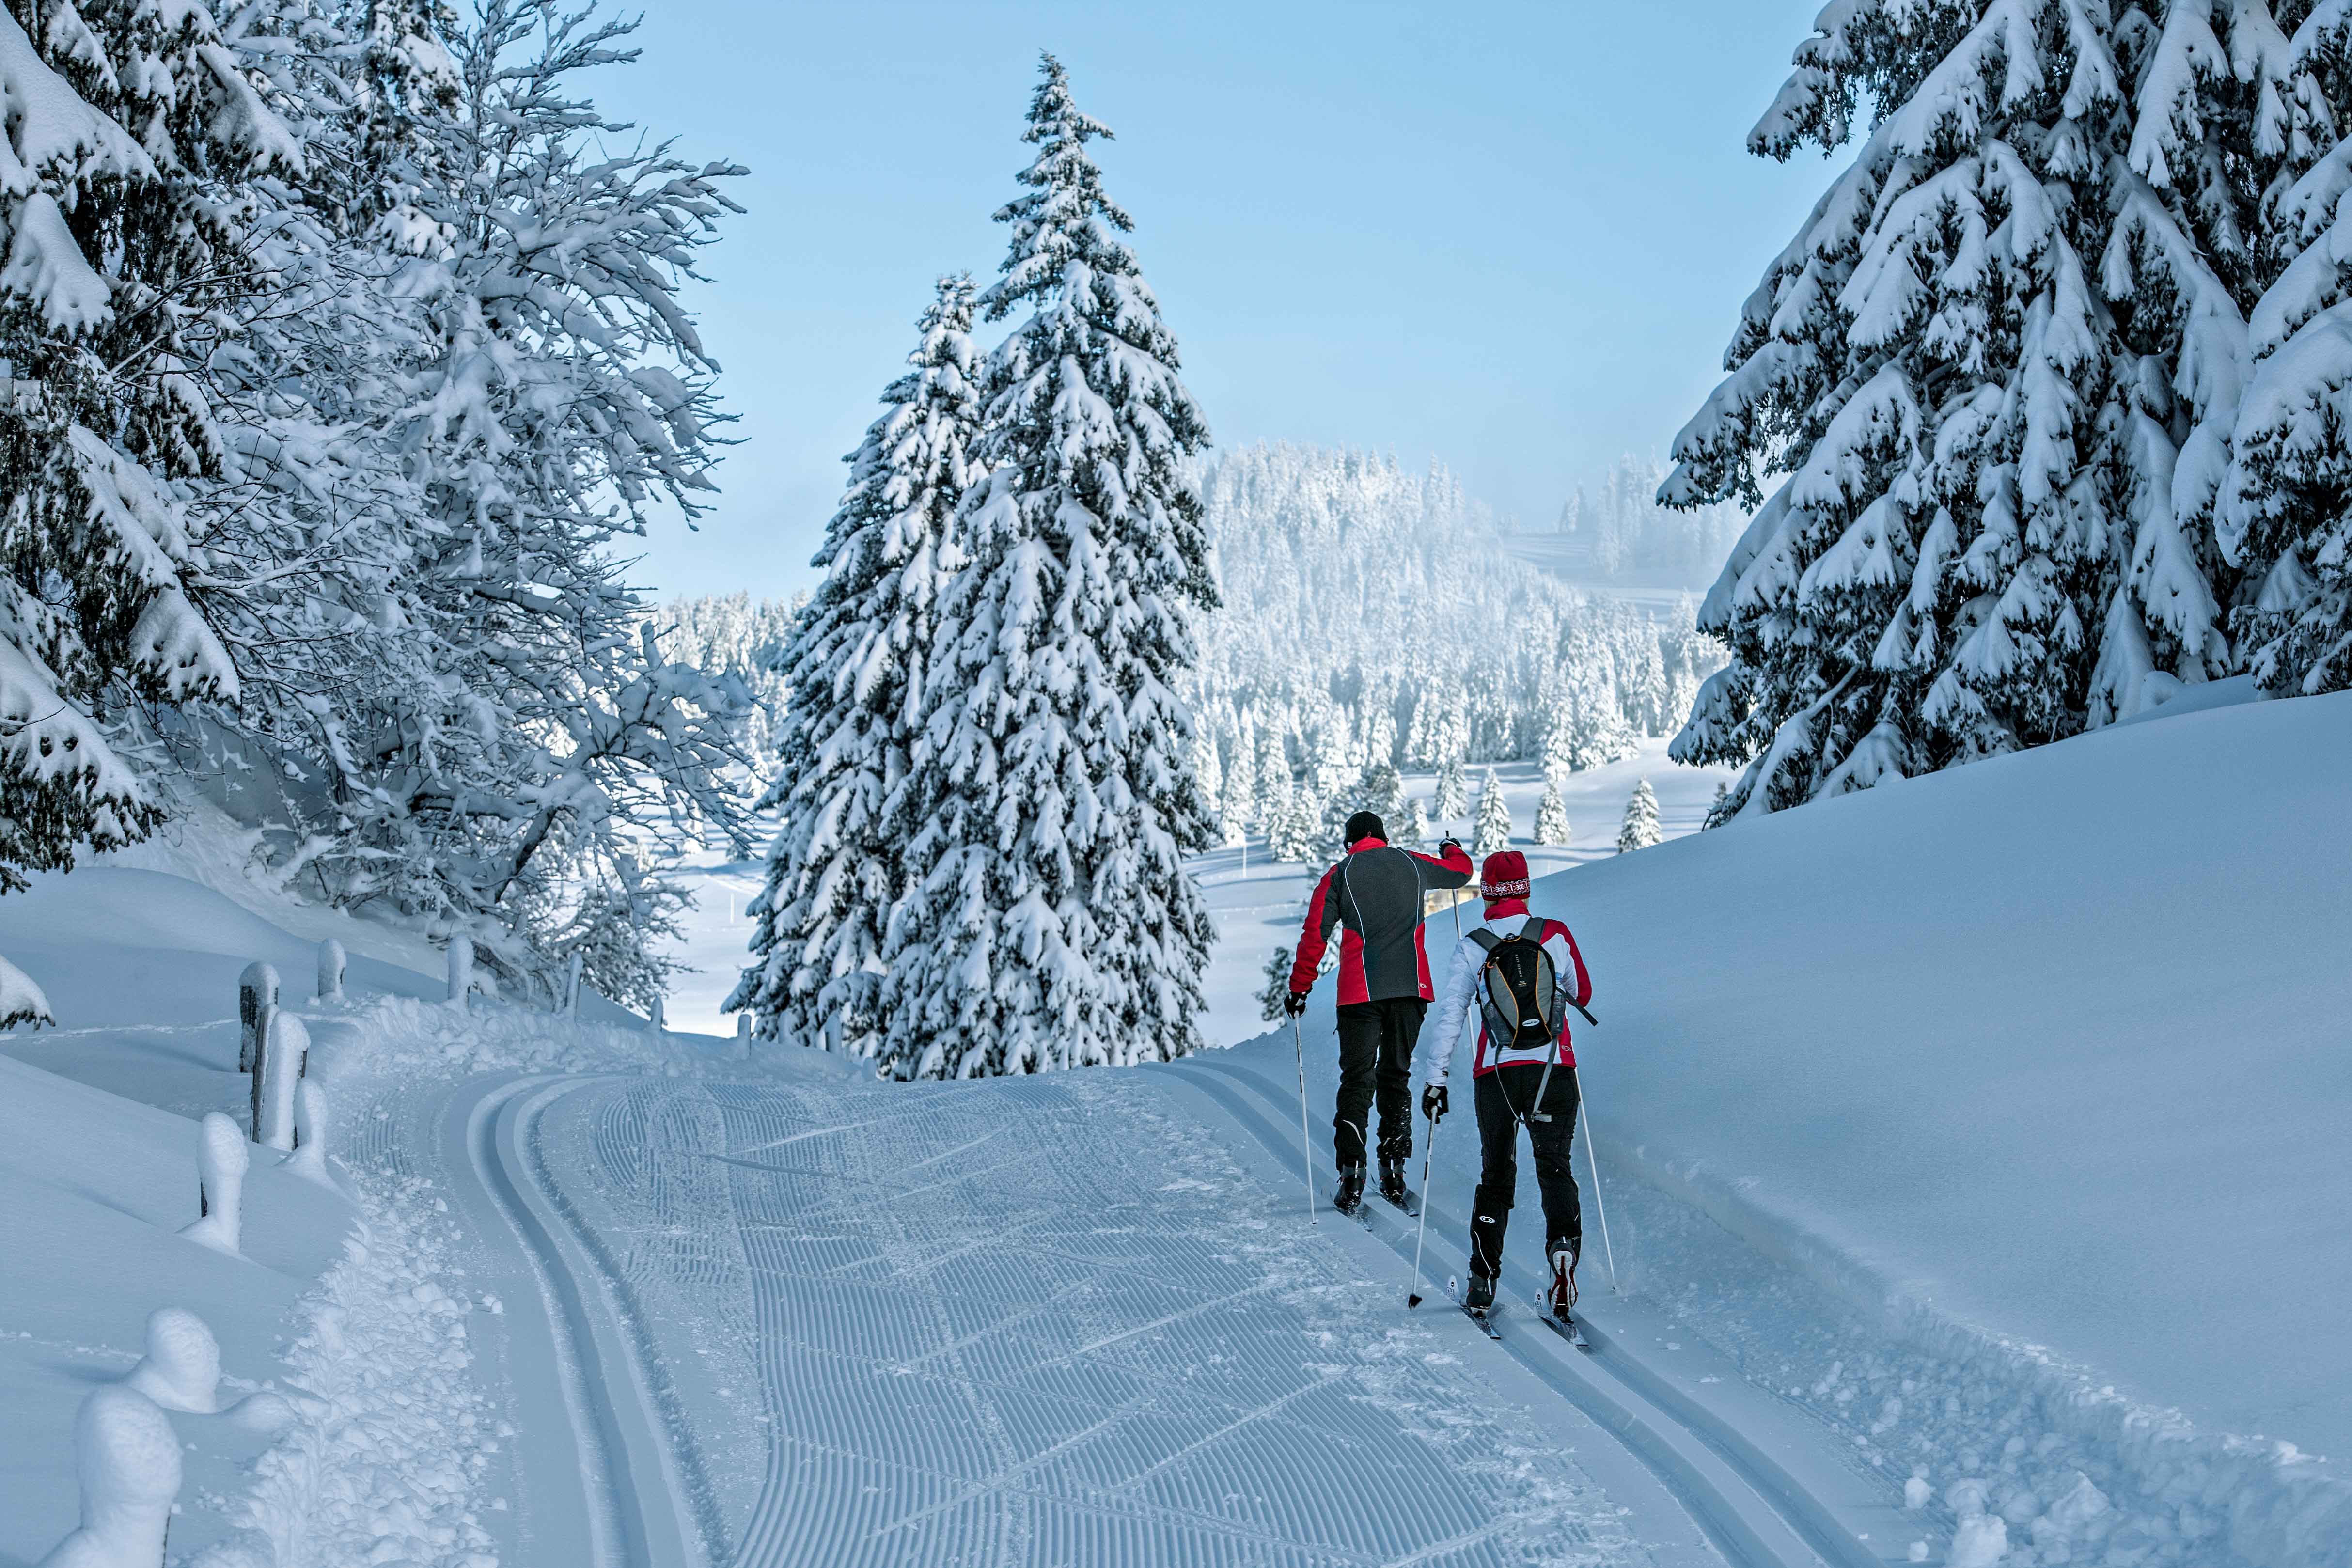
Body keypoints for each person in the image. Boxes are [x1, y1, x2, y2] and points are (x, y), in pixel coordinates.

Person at [1420, 849, 1592, 1319]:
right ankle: (1562, 1253)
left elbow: (1452, 1015)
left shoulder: (1472, 945)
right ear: (1526, 889)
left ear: (1487, 894)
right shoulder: (1555, 933)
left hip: (1495, 1075)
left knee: (1496, 1176)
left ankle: (1482, 1279)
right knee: (1555, 1167)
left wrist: (1436, 1079)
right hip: (1554, 1069)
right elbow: (1583, 992)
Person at [1286, 812, 1474, 1213]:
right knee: (1396, 1075)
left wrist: (1300, 988)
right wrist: (1450, 849)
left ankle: (1352, 1172)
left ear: (1350, 842)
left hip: (1360, 995)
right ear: (1383, 838)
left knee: (1357, 1080)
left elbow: (1315, 935)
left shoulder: (1339, 875)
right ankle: (1393, 1170)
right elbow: (1461, 874)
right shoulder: (1412, 863)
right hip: (1411, 989)